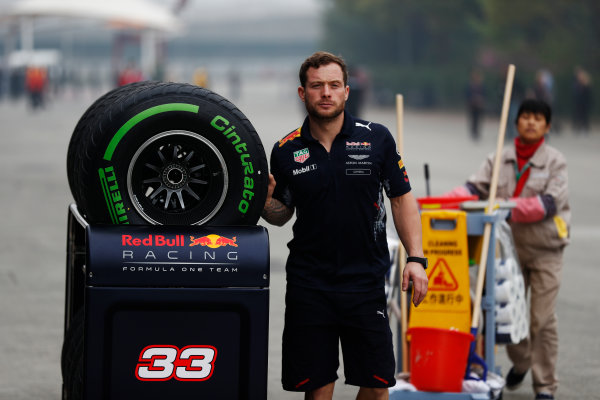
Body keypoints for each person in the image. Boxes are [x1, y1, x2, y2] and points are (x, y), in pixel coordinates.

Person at [261, 51, 429, 400]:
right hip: (310, 282)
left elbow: (401, 199)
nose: (326, 93)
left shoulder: (376, 139)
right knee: (318, 386)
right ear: (302, 92)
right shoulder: (285, 150)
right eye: (317, 85)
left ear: (347, 92)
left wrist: (416, 258)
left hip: (365, 279)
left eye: (334, 85)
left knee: (377, 383)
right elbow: (282, 214)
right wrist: (264, 202)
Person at [446, 99, 570, 400]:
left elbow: (547, 204)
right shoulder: (499, 158)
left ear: (547, 126)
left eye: (538, 118)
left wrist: (504, 207)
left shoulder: (556, 161)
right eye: (525, 117)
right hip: (507, 252)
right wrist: (445, 200)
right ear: (516, 123)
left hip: (545, 250)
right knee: (505, 315)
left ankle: (545, 387)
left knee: (541, 319)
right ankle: (523, 360)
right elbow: (473, 188)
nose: (530, 122)